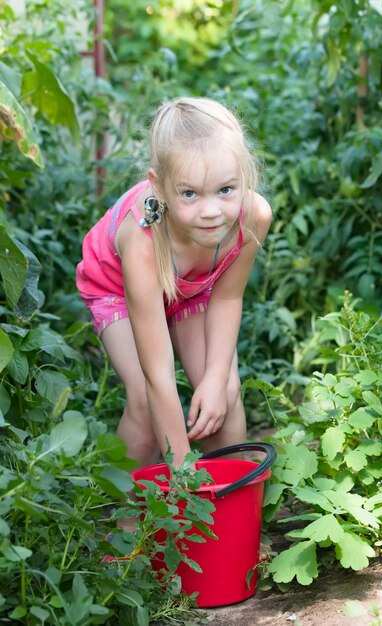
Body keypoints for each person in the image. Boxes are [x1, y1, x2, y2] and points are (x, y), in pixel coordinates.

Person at [76, 97, 272, 509]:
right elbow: (158, 374)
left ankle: (230, 506)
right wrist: (181, 465)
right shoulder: (143, 243)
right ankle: (124, 521)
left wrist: (217, 380)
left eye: (225, 189)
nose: (211, 211)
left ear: (243, 177)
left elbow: (228, 295)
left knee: (225, 392)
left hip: (193, 288)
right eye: (189, 194)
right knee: (147, 403)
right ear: (159, 186)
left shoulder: (253, 216)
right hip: (119, 291)